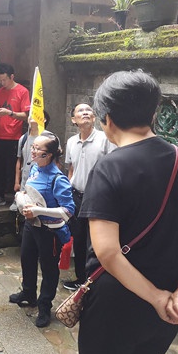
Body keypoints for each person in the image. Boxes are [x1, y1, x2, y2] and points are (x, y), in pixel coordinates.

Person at [78, 70, 178, 354]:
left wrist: (155, 297)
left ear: (107, 119)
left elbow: (107, 251)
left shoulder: (109, 168)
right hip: (167, 306)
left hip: (116, 304)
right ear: (153, 114)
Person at [9, 131, 75, 327]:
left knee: (48, 268)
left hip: (50, 231)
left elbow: (68, 211)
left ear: (49, 154)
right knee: (27, 259)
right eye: (33, 147)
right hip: (32, 226)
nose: (33, 151)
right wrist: (22, 198)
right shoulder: (35, 169)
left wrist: (38, 210)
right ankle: (28, 293)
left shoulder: (58, 178)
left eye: (37, 149)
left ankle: (45, 305)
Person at [62, 103, 114, 291]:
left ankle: (95, 279)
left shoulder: (104, 139)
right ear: (73, 120)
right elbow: (71, 168)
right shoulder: (71, 142)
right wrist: (69, 187)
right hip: (76, 196)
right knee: (79, 238)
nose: (85, 113)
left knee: (96, 240)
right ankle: (81, 278)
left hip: (98, 197)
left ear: (94, 117)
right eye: (80, 111)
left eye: (88, 111)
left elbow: (113, 167)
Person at [0, 63, 31, 208]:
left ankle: (15, 197)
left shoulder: (22, 91)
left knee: (13, 168)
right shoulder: (0, 92)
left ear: (12, 77)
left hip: (14, 137)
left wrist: (10, 113)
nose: (2, 83)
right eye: (0, 80)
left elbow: (26, 115)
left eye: (4, 80)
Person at [11, 111, 51, 211]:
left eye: (36, 113)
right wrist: (17, 182)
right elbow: (19, 160)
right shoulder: (23, 138)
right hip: (25, 183)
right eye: (31, 114)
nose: (32, 116)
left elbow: (56, 162)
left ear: (44, 119)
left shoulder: (50, 138)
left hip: (42, 183)